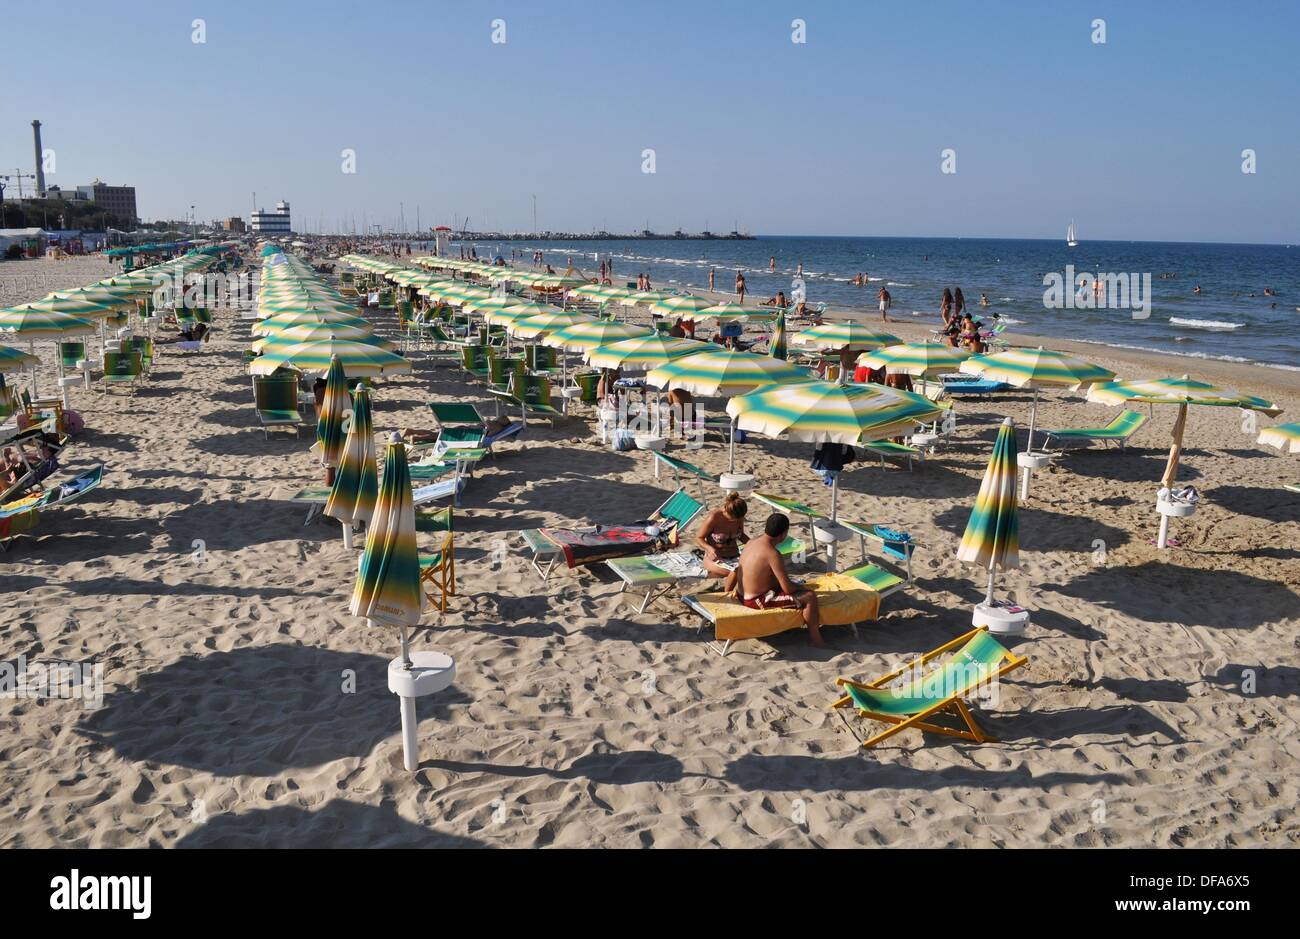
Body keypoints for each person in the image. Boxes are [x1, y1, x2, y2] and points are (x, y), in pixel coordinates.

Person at [725, 513, 824, 647]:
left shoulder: (752, 542)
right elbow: (788, 589)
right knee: (810, 597)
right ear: (783, 534)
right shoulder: (772, 553)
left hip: (741, 593)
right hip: (754, 601)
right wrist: (803, 588)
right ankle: (816, 640)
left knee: (784, 583)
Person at [696, 492, 749, 576]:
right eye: (733, 518)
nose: (736, 521)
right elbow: (699, 538)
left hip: (735, 555)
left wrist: (752, 544)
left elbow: (741, 535)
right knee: (735, 573)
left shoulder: (739, 516)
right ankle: (729, 589)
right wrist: (710, 549)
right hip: (716, 558)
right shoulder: (714, 517)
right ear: (726, 511)